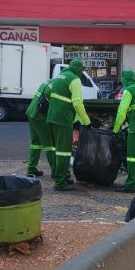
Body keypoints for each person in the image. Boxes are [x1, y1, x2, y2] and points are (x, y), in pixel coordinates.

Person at [46, 59, 91, 191]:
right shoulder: (74, 79)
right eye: (81, 70)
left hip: (51, 116)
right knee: (64, 151)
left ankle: (60, 175)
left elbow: (49, 95)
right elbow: (77, 103)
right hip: (63, 119)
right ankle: (60, 183)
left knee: (56, 149)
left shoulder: (59, 76)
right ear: (78, 69)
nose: (82, 73)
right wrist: (86, 121)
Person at [25, 79, 56, 178]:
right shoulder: (56, 87)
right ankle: (55, 171)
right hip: (40, 117)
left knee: (36, 143)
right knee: (50, 144)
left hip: (31, 113)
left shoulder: (48, 82)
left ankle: (31, 169)